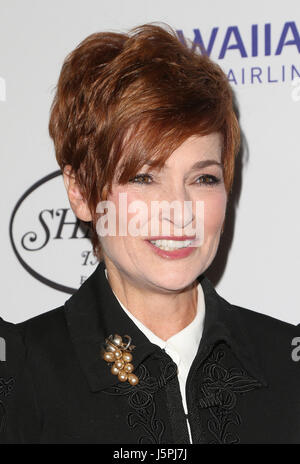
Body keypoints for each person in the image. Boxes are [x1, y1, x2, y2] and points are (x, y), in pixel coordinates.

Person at [1, 23, 300, 444]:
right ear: (82, 192)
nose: (180, 212)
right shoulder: (20, 373)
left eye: (204, 179)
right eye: (144, 178)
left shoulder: (287, 361)